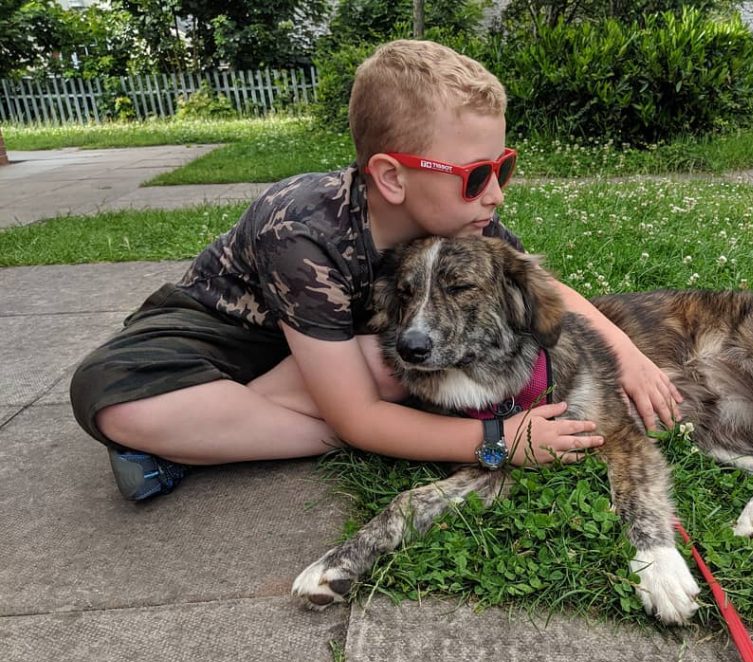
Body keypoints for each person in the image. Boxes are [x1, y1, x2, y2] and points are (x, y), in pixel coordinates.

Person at [70, 39, 682, 502]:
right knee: (117, 404)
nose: (494, 193)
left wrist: (627, 354)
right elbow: (354, 415)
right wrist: (496, 441)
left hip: (325, 357)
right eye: (475, 175)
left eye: (504, 167)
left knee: (395, 362)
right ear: (392, 177)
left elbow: (536, 284)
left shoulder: (458, 220)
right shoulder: (301, 229)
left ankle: (201, 443)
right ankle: (193, 438)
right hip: (222, 336)